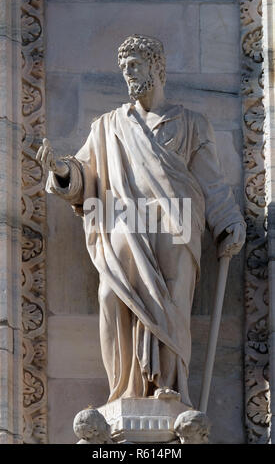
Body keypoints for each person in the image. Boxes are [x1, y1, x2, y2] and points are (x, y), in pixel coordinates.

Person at [37, 34, 246, 408]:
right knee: (109, 295)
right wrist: (61, 169)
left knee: (172, 298)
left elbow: (212, 182)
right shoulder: (109, 125)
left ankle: (169, 389)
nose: (128, 73)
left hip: (176, 224)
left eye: (135, 65)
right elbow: (86, 173)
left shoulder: (191, 124)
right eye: (124, 68)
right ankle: (124, 392)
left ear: (156, 66)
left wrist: (228, 220)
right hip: (124, 225)